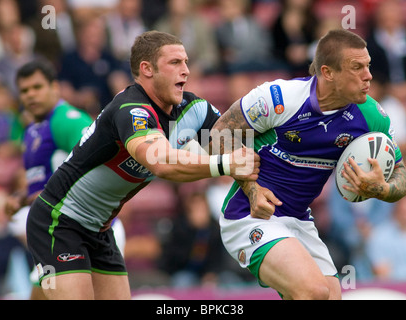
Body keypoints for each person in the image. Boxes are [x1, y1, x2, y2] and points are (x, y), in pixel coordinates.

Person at [25, 30, 259, 300]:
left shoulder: (195, 109)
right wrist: (226, 165)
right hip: (58, 222)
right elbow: (162, 163)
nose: (186, 71)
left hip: (100, 229)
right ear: (147, 69)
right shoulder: (131, 109)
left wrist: (255, 189)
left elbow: (238, 147)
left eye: (186, 62)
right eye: (174, 63)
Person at [212, 29, 406, 300]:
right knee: (313, 291)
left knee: (329, 296)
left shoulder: (371, 117)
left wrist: (382, 189)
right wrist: (251, 188)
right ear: (328, 72)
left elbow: (402, 176)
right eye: (357, 68)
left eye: (368, 66)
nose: (368, 76)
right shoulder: (280, 98)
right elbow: (220, 132)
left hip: (300, 221)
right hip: (250, 215)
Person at [4, 59, 94, 299]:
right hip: (55, 235)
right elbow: (46, 183)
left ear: (55, 87)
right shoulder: (33, 129)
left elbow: (95, 167)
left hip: (81, 234)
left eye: (37, 87)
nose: (31, 95)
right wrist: (22, 198)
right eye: (24, 91)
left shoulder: (68, 120)